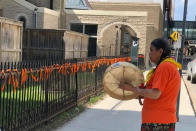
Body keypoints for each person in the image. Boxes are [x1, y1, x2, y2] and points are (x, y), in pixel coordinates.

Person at [120, 38, 182, 131]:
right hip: (159, 120)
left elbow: (155, 94)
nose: (149, 53)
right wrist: (133, 91)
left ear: (160, 51)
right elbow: (155, 93)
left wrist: (133, 89)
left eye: (151, 50)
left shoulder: (164, 67)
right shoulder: (166, 66)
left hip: (157, 122)